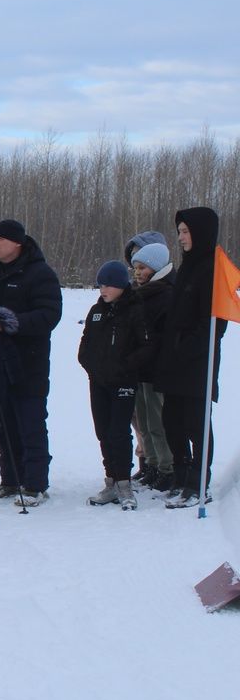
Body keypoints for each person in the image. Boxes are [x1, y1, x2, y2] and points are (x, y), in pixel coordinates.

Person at [0, 219, 62, 506]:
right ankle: (11, 479)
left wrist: (10, 323)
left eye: (0, 239)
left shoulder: (39, 273)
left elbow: (50, 315)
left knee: (31, 423)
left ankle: (35, 484)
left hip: (29, 362)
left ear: (18, 243)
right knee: (2, 422)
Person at [154, 207, 227, 508]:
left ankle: (199, 483)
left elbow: (214, 324)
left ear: (201, 232)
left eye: (186, 232)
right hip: (173, 361)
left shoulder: (212, 268)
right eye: (180, 231)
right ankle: (182, 476)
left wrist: (186, 347)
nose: (181, 237)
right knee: (172, 421)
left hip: (197, 363)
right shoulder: (187, 267)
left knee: (196, 424)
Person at [78, 261, 154, 510]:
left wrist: (123, 368)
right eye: (101, 284)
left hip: (123, 382)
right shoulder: (96, 312)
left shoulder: (135, 309)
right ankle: (110, 480)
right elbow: (85, 346)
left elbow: (145, 348)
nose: (103, 289)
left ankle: (124, 483)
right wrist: (92, 368)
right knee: (102, 431)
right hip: (98, 382)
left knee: (118, 432)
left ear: (121, 285)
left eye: (109, 284)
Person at [128, 241, 175, 491]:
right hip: (141, 369)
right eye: (135, 267)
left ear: (155, 268)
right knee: (144, 422)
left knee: (157, 422)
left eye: (142, 267)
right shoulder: (139, 293)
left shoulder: (165, 294)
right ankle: (153, 464)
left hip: (156, 370)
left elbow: (162, 335)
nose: (137, 272)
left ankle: (167, 468)